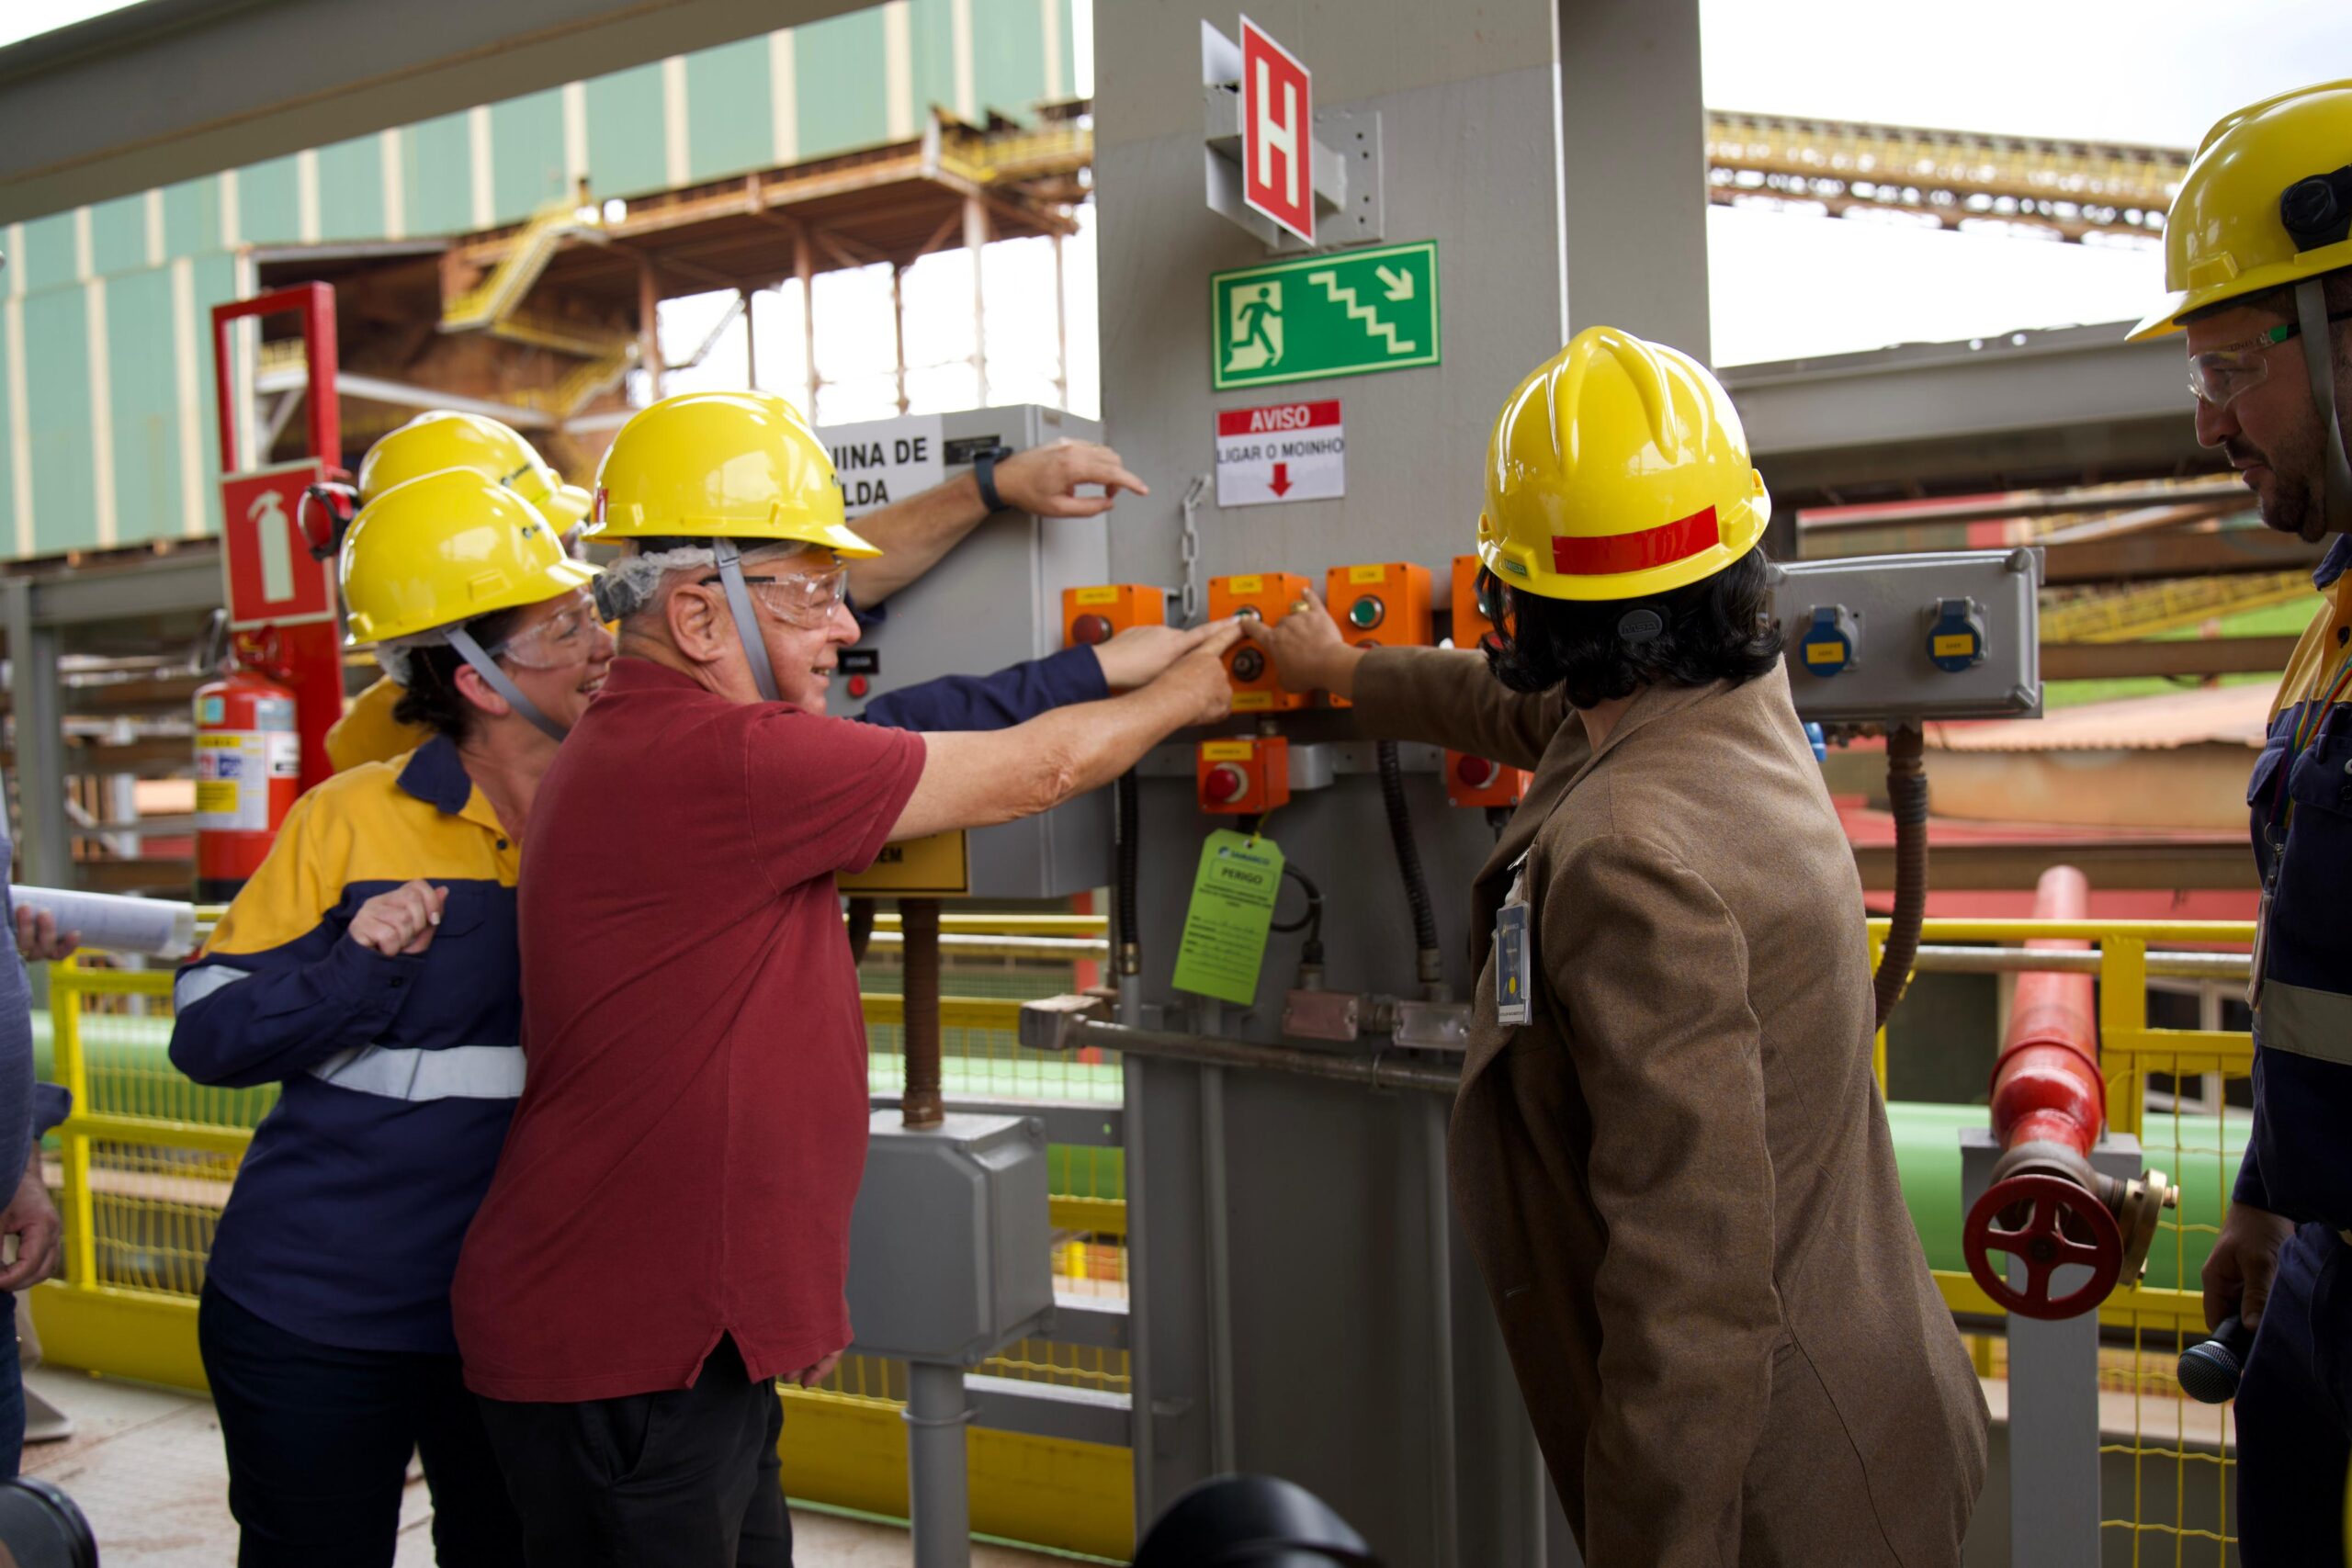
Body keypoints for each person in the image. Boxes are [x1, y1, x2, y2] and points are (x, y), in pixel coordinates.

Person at [449, 389, 1238, 1565]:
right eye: (812, 594)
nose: (839, 630)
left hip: (664, 1334)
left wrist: (778, 1296)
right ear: (700, 615)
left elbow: (919, 726)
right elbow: (1034, 773)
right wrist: (1196, 688)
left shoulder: (656, 736)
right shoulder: (718, 754)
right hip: (623, 1350)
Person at [1239, 327, 1987, 1565]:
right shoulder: (1727, 707)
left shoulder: (1631, 857)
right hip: (1880, 1398)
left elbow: (1690, 1288)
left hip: (1781, 1497)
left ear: (1515, 598)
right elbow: (1521, 710)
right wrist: (1348, 668)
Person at [2132, 81, 2352, 1566]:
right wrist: (2271, 1200)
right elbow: (2317, 962)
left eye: (2228, 366)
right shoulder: (2333, 622)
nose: (2208, 423)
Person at [327, 408, 1156, 771]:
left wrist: (991, 485)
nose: (587, 628)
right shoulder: (639, 715)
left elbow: (802, 594)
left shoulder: (369, 760)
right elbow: (903, 745)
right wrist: (1107, 678)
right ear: (476, 669)